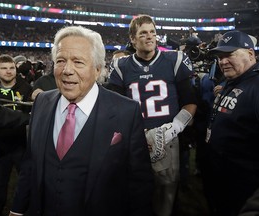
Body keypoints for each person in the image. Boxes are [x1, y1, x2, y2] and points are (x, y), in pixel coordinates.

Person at [9, 25, 154, 216]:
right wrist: (17, 209)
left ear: (97, 70)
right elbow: (30, 163)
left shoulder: (126, 111)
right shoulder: (42, 102)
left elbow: (139, 182)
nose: (67, 70)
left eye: (78, 62)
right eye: (60, 61)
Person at [107, 14, 197, 216]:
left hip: (169, 139)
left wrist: (172, 129)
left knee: (167, 198)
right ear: (132, 38)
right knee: (137, 194)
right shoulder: (121, 66)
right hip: (136, 140)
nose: (149, 37)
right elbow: (115, 107)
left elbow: (190, 103)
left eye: (152, 32)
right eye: (143, 33)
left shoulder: (174, 60)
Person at [205, 30, 259, 216]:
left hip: (246, 192)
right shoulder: (233, 80)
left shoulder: (258, 86)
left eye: (229, 55)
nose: (222, 61)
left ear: (250, 54)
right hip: (223, 183)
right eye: (220, 57)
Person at [0, 54, 32, 216]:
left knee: (26, 183)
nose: (8, 71)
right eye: (4, 68)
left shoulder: (27, 89)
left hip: (20, 145)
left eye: (11, 68)